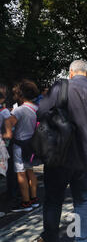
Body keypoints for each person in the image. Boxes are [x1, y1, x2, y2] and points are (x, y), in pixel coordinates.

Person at [35, 60, 87, 242]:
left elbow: (41, 112)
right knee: (83, 201)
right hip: (86, 156)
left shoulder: (60, 87)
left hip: (59, 154)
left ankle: (50, 239)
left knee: (53, 198)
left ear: (71, 73)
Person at [4, 80, 40, 213]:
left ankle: (25, 202)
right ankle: (34, 199)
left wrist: (7, 132)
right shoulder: (37, 108)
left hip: (20, 145)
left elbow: (9, 122)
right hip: (33, 145)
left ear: (21, 94)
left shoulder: (19, 110)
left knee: (21, 174)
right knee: (31, 172)